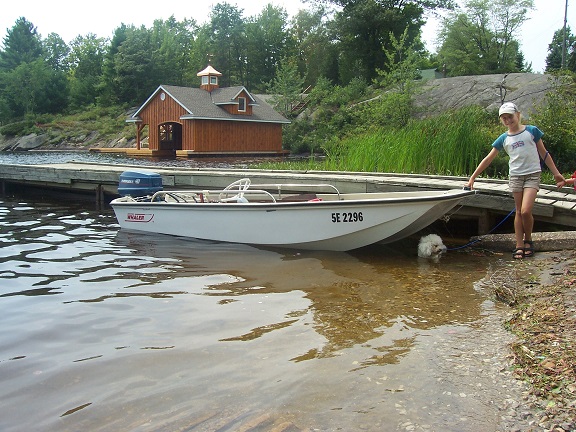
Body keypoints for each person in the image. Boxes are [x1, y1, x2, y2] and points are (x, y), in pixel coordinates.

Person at [464, 102, 565, 259]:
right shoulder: (504, 138)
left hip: (532, 174)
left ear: (517, 115)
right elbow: (488, 159)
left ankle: (528, 240)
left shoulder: (532, 131)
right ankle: (519, 244)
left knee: (526, 211)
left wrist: (556, 174)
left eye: (510, 116)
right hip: (516, 176)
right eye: (504, 118)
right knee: (518, 211)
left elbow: (544, 153)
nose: (507, 120)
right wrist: (473, 178)